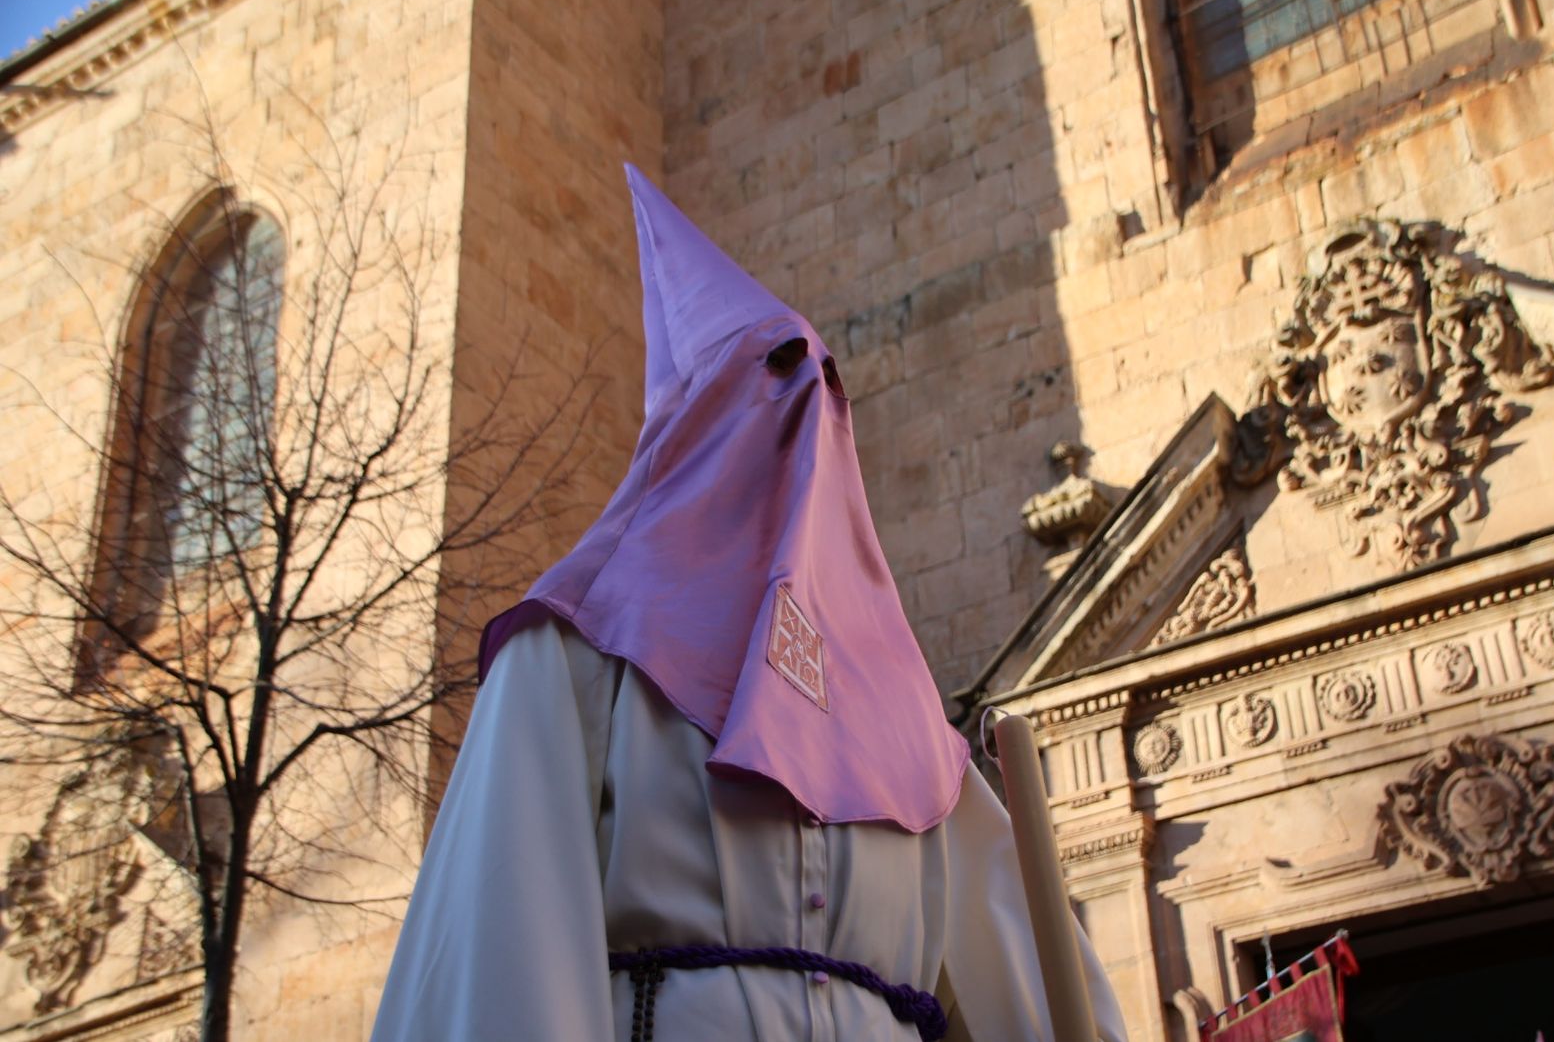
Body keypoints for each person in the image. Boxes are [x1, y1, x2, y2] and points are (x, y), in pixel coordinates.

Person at [369, 166, 1129, 1042]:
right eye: (776, 370)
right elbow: (506, 967)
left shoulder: (914, 733)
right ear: (692, 432)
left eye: (825, 380)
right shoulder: (571, 660)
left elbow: (1038, 994)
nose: (807, 404)